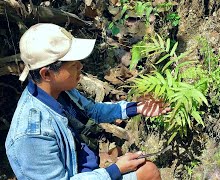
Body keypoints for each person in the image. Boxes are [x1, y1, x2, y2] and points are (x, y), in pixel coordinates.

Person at [5, 23, 170, 180]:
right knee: (148, 172)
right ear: (46, 74)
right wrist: (115, 169)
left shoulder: (60, 92)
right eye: (73, 66)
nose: (80, 67)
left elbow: (92, 111)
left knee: (139, 165)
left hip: (85, 170)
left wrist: (136, 108)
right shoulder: (31, 135)